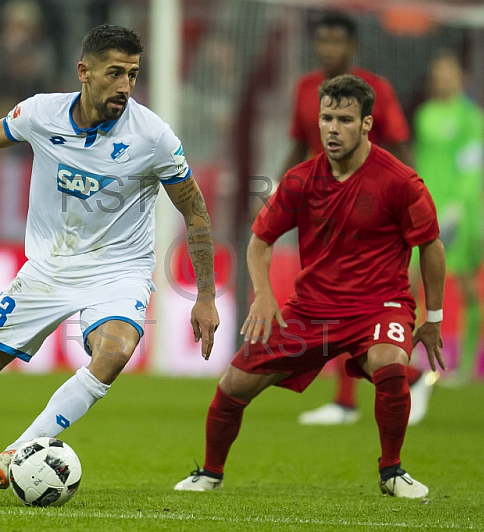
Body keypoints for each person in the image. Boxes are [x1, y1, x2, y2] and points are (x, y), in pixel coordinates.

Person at [0, 24, 220, 500]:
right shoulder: (42, 113)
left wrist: (206, 295)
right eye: (115, 73)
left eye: (133, 74)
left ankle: (19, 450)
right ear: (84, 72)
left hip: (118, 270)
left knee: (113, 353)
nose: (125, 86)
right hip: (48, 269)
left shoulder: (152, 136)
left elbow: (194, 209)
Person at [175, 74, 445, 498]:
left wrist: (433, 317)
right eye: (325, 119)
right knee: (233, 385)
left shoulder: (400, 181)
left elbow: (431, 245)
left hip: (380, 306)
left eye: (344, 120)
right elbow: (260, 241)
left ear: (368, 125)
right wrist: (264, 293)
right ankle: (209, 473)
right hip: (312, 313)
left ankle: (392, 472)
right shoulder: (301, 180)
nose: (332, 129)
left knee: (390, 362)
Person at [287, 12, 432, 426]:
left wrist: (417, 199)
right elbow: (298, 144)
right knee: (333, 303)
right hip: (319, 210)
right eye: (322, 41)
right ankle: (407, 378)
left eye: (335, 42)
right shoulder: (304, 89)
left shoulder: (376, 91)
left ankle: (348, 400)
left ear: (352, 47)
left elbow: (401, 146)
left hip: (368, 210)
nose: (326, 49)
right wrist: (277, 192)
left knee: (347, 302)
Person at [413, 52, 484, 384]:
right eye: (437, 74)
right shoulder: (424, 114)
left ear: (460, 78)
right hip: (425, 212)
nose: (442, 79)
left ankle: (468, 366)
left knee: (468, 287)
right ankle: (412, 357)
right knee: (410, 283)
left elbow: (473, 165)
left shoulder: (472, 118)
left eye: (447, 73)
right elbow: (420, 161)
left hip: (462, 213)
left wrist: (458, 206)